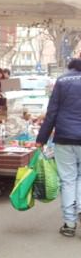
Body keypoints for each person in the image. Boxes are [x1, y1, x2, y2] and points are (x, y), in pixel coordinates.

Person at [36, 59, 81, 237]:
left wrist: (42, 138)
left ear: (71, 66)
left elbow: (52, 113)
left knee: (68, 180)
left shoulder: (62, 81)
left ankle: (69, 223)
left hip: (64, 138)